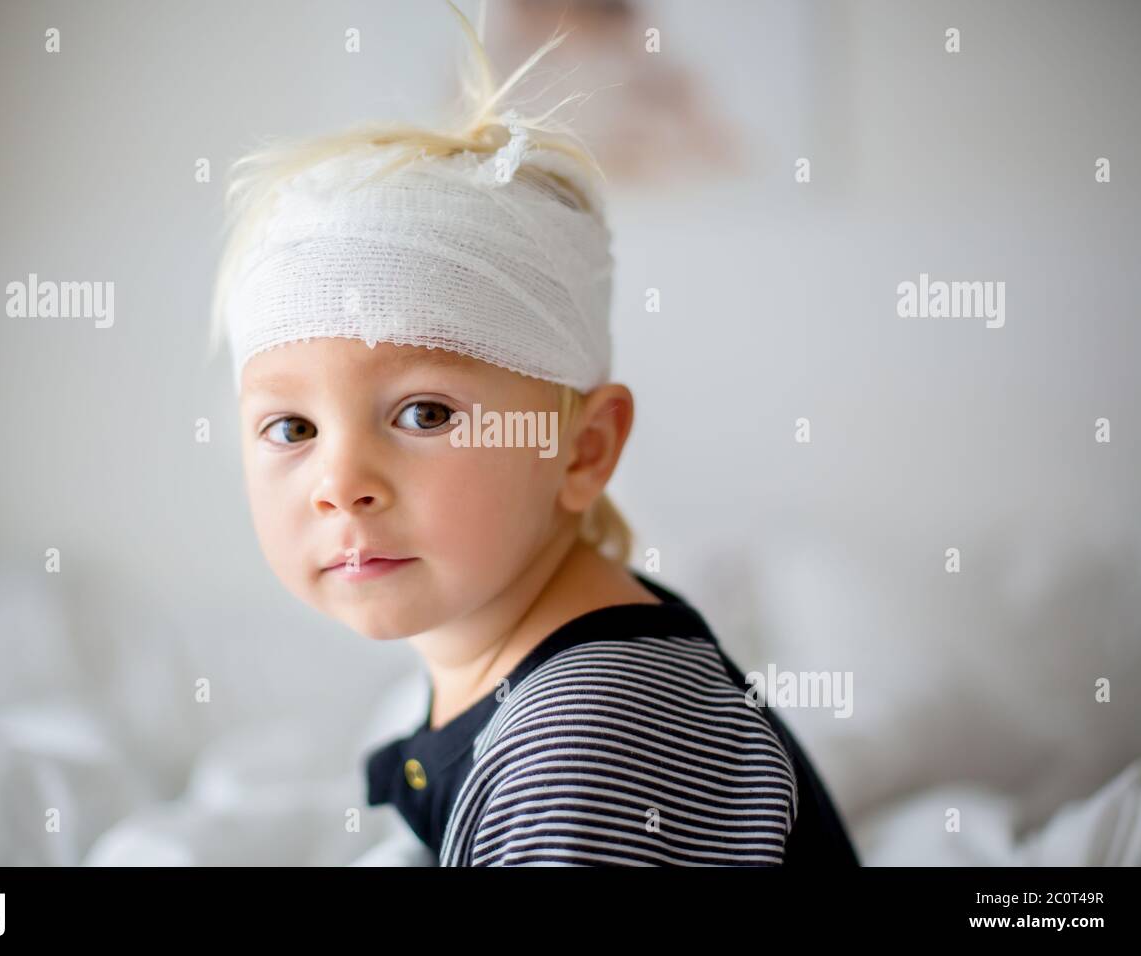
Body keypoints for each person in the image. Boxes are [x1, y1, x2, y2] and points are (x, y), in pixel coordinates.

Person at [210, 0, 858, 866]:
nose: (341, 481)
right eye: (291, 426)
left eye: (425, 413)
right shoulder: (509, 653)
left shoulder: (583, 746)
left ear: (583, 451)